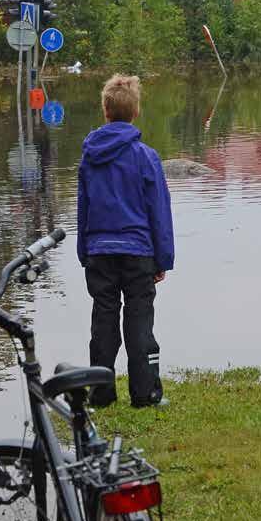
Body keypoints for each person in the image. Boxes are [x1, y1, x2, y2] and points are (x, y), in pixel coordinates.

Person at [77, 74, 174, 408]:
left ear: (105, 110)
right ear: (136, 112)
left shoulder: (89, 156)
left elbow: (83, 208)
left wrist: (84, 253)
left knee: (103, 320)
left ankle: (100, 393)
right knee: (139, 321)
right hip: (138, 253)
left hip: (100, 252)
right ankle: (145, 393)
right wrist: (163, 259)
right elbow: (159, 211)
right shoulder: (146, 157)